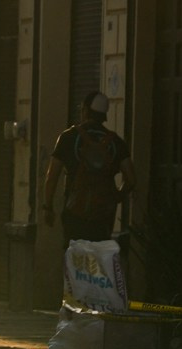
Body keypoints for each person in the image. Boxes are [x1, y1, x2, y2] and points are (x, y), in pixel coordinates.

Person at [43, 91, 132, 244]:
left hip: (74, 214)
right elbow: (131, 179)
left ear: (85, 110)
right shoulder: (116, 142)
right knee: (98, 260)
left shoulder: (67, 137)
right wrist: (116, 197)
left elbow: (52, 176)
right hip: (103, 217)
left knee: (74, 260)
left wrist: (48, 207)